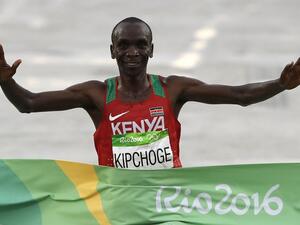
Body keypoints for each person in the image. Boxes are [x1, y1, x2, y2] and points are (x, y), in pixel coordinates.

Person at [0, 17, 299, 169]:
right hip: (117, 201)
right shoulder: (96, 94)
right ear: (112, 51)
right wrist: (4, 81)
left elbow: (239, 95)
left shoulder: (172, 90)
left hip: (166, 200)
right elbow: (29, 103)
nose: (132, 52)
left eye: (140, 45)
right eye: (124, 45)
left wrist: (280, 84)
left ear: (151, 50)